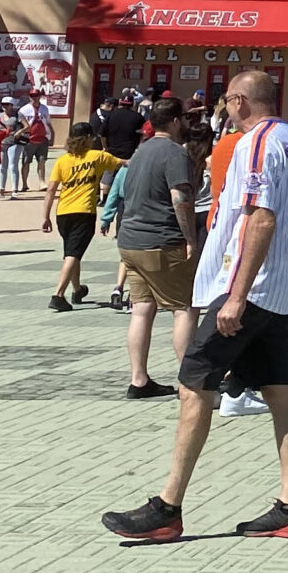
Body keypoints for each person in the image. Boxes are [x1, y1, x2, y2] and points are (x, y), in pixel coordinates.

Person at [101, 71, 288, 542]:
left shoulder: (255, 144)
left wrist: (235, 294)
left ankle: (168, 505)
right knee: (280, 390)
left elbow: (261, 218)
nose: (223, 111)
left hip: (248, 288)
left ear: (239, 101)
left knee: (193, 386)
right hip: (278, 288)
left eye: (226, 102)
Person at [115, 109, 197, 398]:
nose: (187, 125)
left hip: (130, 240)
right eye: (185, 119)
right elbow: (180, 198)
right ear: (175, 121)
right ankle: (192, 383)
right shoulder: (175, 153)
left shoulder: (141, 150)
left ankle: (138, 379)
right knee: (184, 308)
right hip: (162, 240)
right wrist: (190, 238)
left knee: (141, 309)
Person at [41, 122, 122, 310]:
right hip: (84, 211)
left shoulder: (62, 161)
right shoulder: (97, 157)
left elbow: (51, 190)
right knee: (72, 254)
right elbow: (122, 163)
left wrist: (45, 216)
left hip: (63, 212)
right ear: (87, 138)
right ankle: (57, 294)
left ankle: (77, 289)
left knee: (72, 251)